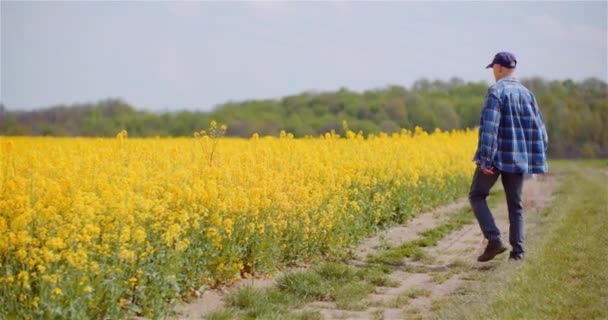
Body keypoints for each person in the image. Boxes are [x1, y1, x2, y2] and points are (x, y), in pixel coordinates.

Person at [470, 51, 548, 262]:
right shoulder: (527, 94)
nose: (493, 72)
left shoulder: (496, 91)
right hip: (518, 158)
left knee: (477, 195)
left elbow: (489, 128)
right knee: (516, 204)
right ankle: (518, 252)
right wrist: (535, 158)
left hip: (496, 157)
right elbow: (541, 130)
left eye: (493, 68)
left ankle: (494, 239)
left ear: (499, 68)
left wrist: (485, 159)